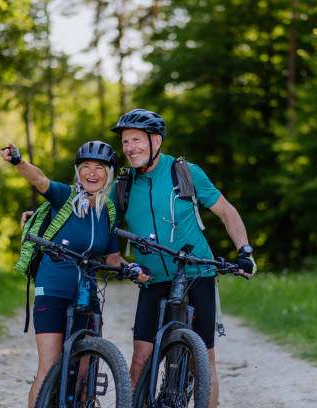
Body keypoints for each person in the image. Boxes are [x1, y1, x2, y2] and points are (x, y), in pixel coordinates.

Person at [109, 108, 257, 408]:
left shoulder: (185, 173)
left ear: (157, 141)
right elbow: (100, 220)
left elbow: (226, 212)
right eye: (125, 142)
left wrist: (245, 251)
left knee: (203, 361)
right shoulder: (123, 185)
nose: (129, 148)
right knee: (140, 359)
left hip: (196, 276)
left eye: (136, 140)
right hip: (152, 280)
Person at [0, 140, 147, 408]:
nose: (91, 172)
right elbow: (40, 180)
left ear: (109, 174)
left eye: (99, 167)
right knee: (49, 368)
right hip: (53, 287)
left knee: (84, 372)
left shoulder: (108, 212)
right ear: (78, 172)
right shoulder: (64, 197)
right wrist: (18, 161)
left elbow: (112, 257)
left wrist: (132, 268)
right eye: (85, 167)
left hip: (87, 291)